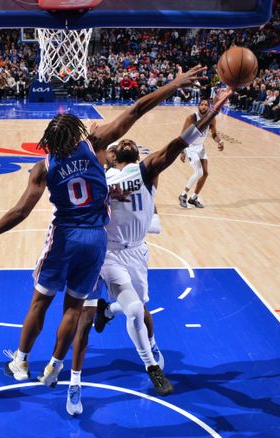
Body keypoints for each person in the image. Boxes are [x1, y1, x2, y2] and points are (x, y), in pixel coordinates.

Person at [0, 64, 207, 395]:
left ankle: (21, 362)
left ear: (50, 141)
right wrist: (176, 83)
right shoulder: (96, 144)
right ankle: (56, 364)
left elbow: (20, 211)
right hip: (95, 241)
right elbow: (138, 108)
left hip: (64, 238)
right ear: (77, 133)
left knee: (39, 302)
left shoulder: (44, 167)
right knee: (74, 308)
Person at [68, 90, 232, 415]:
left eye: (127, 143)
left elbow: (180, 142)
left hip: (138, 251)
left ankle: (108, 312)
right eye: (114, 147)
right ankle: (150, 364)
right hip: (109, 254)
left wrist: (213, 111)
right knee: (135, 312)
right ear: (109, 157)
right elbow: (85, 161)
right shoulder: (100, 177)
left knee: (138, 310)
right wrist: (90, 139)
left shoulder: (146, 171)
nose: (122, 144)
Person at [178, 99, 225, 209]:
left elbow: (214, 135)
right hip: (190, 147)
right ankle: (183, 194)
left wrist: (220, 141)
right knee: (198, 172)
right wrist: (182, 151)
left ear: (208, 107)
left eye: (206, 105)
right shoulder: (192, 118)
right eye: (202, 105)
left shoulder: (211, 119)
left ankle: (193, 198)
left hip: (201, 147)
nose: (204, 106)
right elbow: (183, 135)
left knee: (205, 173)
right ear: (198, 106)